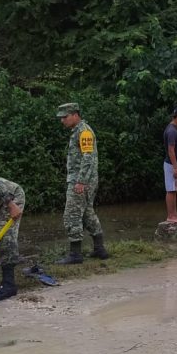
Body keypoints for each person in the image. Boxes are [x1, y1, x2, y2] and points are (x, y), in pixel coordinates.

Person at [55, 102, 109, 264]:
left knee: (71, 215)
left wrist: (81, 181)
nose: (62, 120)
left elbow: (88, 158)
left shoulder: (84, 132)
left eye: (65, 117)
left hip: (81, 181)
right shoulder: (79, 131)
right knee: (87, 213)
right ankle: (100, 249)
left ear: (75, 115)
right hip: (84, 180)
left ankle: (75, 255)